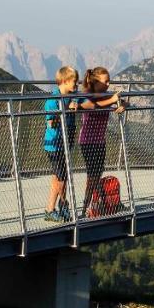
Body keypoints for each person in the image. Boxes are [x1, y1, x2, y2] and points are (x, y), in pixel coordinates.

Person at [77, 66, 125, 218]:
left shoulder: (105, 96)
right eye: (106, 81)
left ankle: (99, 203)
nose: (109, 84)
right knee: (92, 176)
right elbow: (91, 106)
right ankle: (85, 208)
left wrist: (121, 106)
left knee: (97, 174)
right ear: (96, 82)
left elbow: (122, 102)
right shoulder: (87, 95)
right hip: (88, 142)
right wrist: (112, 100)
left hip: (100, 141)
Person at [43, 66, 80, 222]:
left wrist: (75, 105)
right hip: (54, 145)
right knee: (61, 177)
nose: (76, 85)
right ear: (64, 81)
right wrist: (66, 109)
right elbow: (51, 123)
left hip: (66, 142)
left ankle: (51, 209)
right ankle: (61, 205)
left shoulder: (71, 96)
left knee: (58, 177)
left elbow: (82, 100)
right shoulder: (53, 100)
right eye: (74, 82)